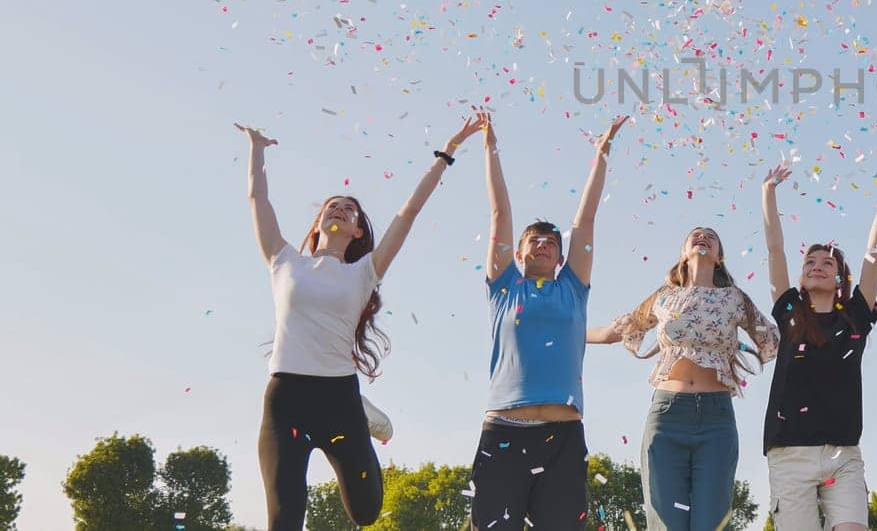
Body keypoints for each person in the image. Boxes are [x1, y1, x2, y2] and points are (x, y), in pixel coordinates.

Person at [237, 113, 484, 531]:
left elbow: (410, 211)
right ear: (319, 223)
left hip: (338, 399)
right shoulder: (284, 260)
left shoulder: (364, 272)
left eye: (350, 210)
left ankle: (363, 413)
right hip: (286, 398)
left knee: (366, 512)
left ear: (355, 232)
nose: (341, 209)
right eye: (334, 206)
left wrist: (449, 151)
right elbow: (258, 202)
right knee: (283, 519)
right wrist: (257, 151)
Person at [468, 113, 628, 530]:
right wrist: (490, 146)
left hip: (563, 437)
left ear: (560, 258)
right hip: (504, 430)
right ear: (518, 255)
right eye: (533, 241)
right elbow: (499, 211)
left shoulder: (572, 289)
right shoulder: (504, 288)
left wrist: (602, 154)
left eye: (551, 242)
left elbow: (585, 221)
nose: (543, 244)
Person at [588, 226, 781, 530]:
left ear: (719, 257)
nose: (703, 237)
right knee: (665, 523)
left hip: (716, 421)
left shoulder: (735, 299)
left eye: (712, 236)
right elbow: (617, 331)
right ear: (683, 252)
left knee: (710, 523)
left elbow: (775, 340)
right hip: (667, 418)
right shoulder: (665, 298)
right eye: (696, 234)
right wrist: (565, 330)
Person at [761, 164, 877, 531]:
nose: (817, 266)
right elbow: (775, 247)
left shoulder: (855, 316)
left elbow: (874, 253)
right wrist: (768, 192)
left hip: (843, 454)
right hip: (790, 452)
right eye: (810, 262)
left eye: (827, 262)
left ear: (841, 278)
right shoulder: (790, 312)